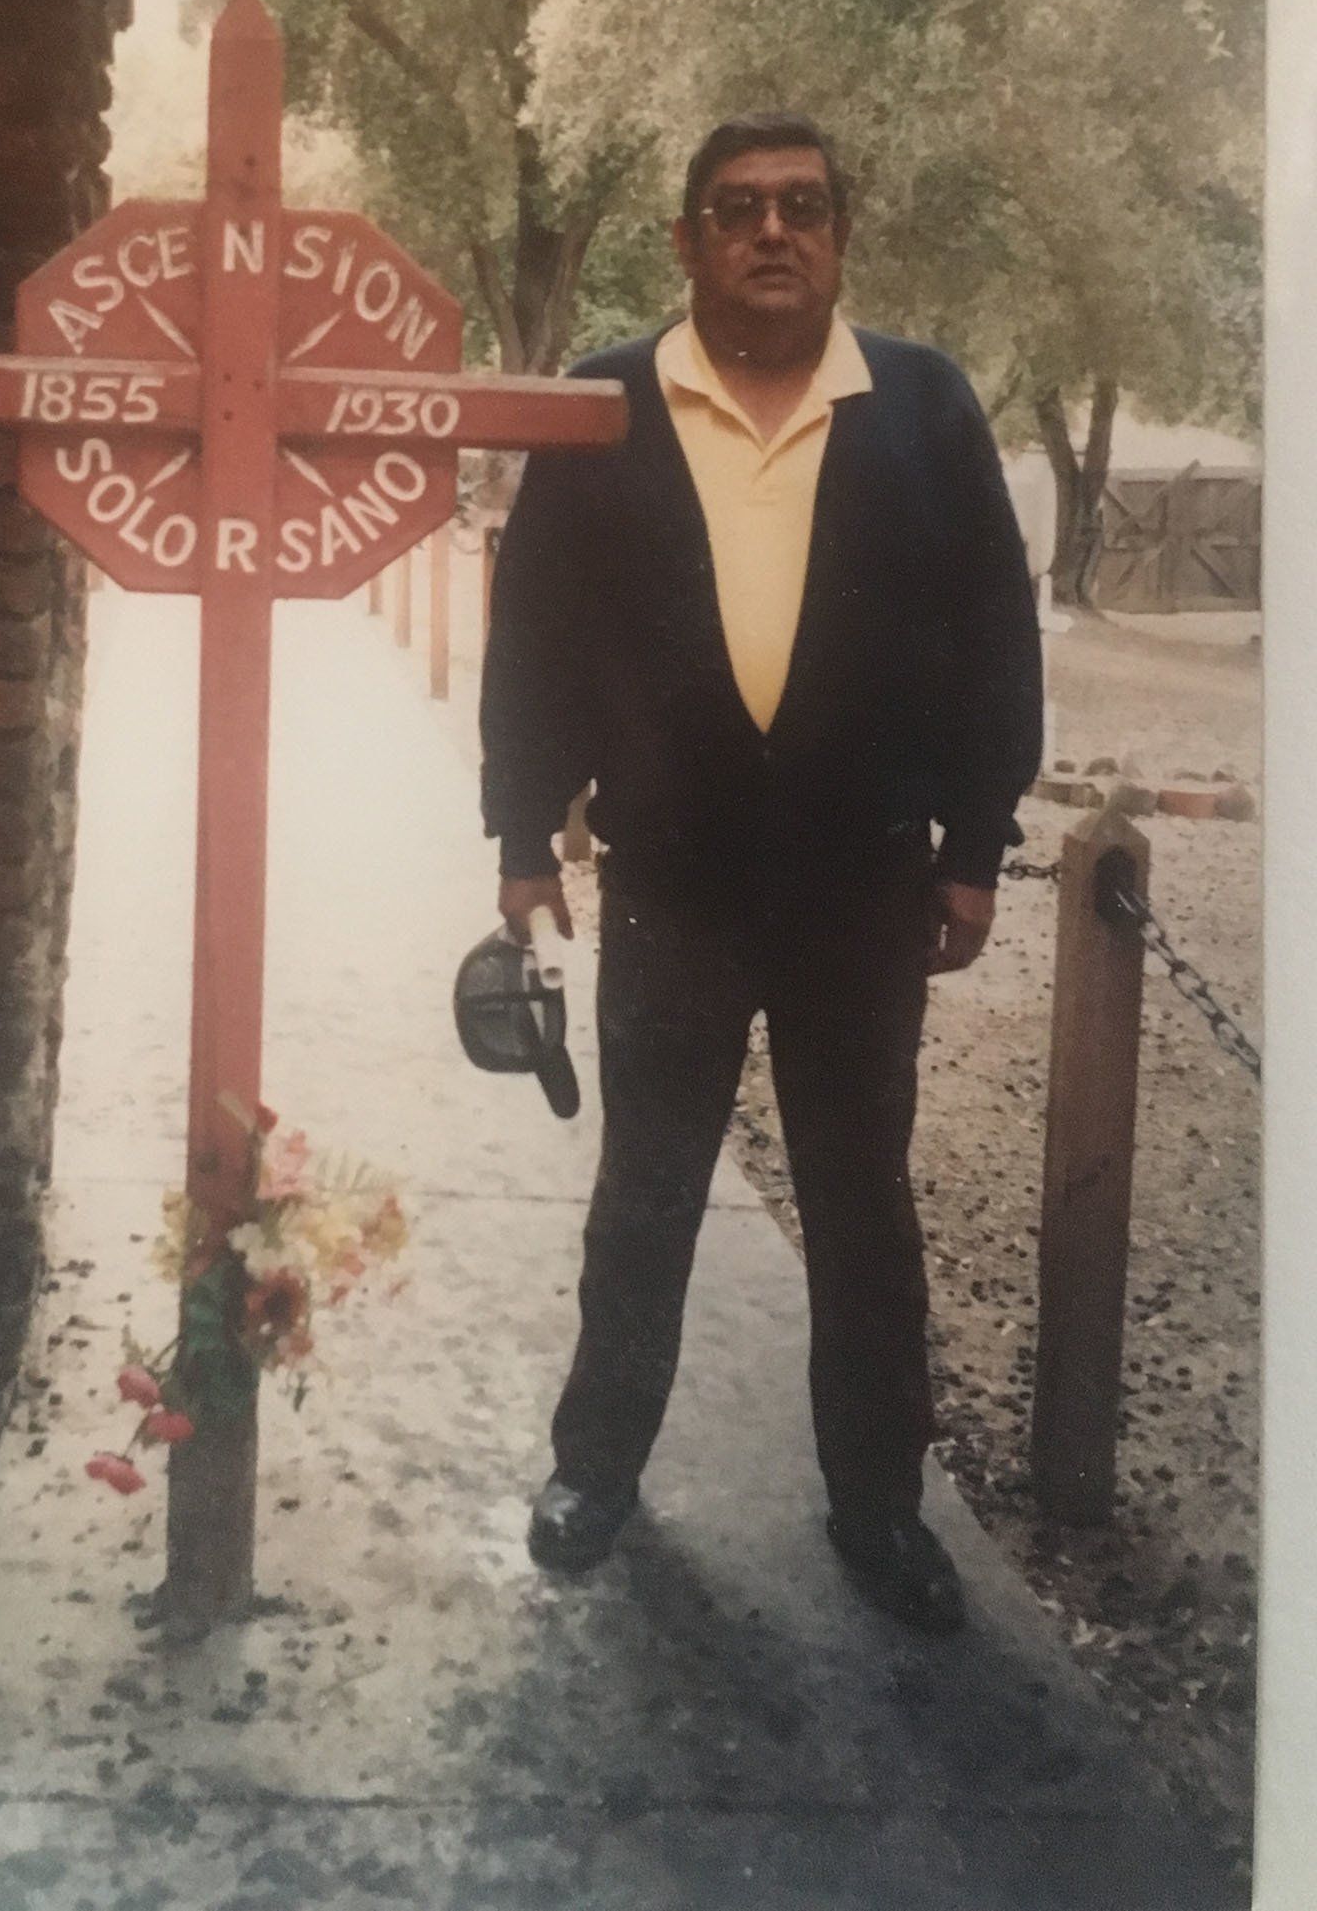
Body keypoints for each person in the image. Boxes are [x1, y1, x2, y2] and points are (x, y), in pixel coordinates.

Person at [479, 111, 1042, 1635]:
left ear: (841, 234)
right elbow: (530, 625)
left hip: (864, 888)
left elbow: (996, 627)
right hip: (676, 880)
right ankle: (595, 1468)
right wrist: (522, 836)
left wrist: (977, 842)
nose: (772, 232)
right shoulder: (608, 400)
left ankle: (880, 1508)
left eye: (802, 206)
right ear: (688, 240)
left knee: (864, 1208)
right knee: (644, 1195)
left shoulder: (920, 403)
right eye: (738, 209)